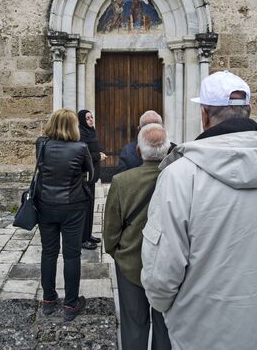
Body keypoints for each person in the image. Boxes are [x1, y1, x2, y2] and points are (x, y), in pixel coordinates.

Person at [141, 70, 257, 350]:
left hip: (199, 331)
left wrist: (168, 308)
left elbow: (161, 274)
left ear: (204, 115)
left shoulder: (179, 176)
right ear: (249, 111)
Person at [104, 123, 172, 350]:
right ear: (168, 148)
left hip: (131, 264)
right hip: (169, 265)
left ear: (138, 150)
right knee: (165, 324)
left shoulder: (122, 182)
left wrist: (119, 254)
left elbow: (110, 232)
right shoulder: (180, 178)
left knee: (134, 324)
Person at [36, 108, 93, 320]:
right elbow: (92, 173)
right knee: (71, 255)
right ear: (73, 126)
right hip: (73, 207)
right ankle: (70, 304)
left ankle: (49, 301)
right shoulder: (81, 147)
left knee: (48, 252)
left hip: (46, 205)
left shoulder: (41, 144)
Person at [78, 109, 107, 250]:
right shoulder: (80, 134)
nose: (91, 120)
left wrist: (98, 153)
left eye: (91, 117)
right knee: (85, 208)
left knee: (91, 207)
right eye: (87, 118)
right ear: (82, 120)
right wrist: (97, 156)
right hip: (85, 176)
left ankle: (88, 234)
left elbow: (92, 150)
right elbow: (83, 153)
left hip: (93, 175)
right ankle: (82, 239)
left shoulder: (91, 131)